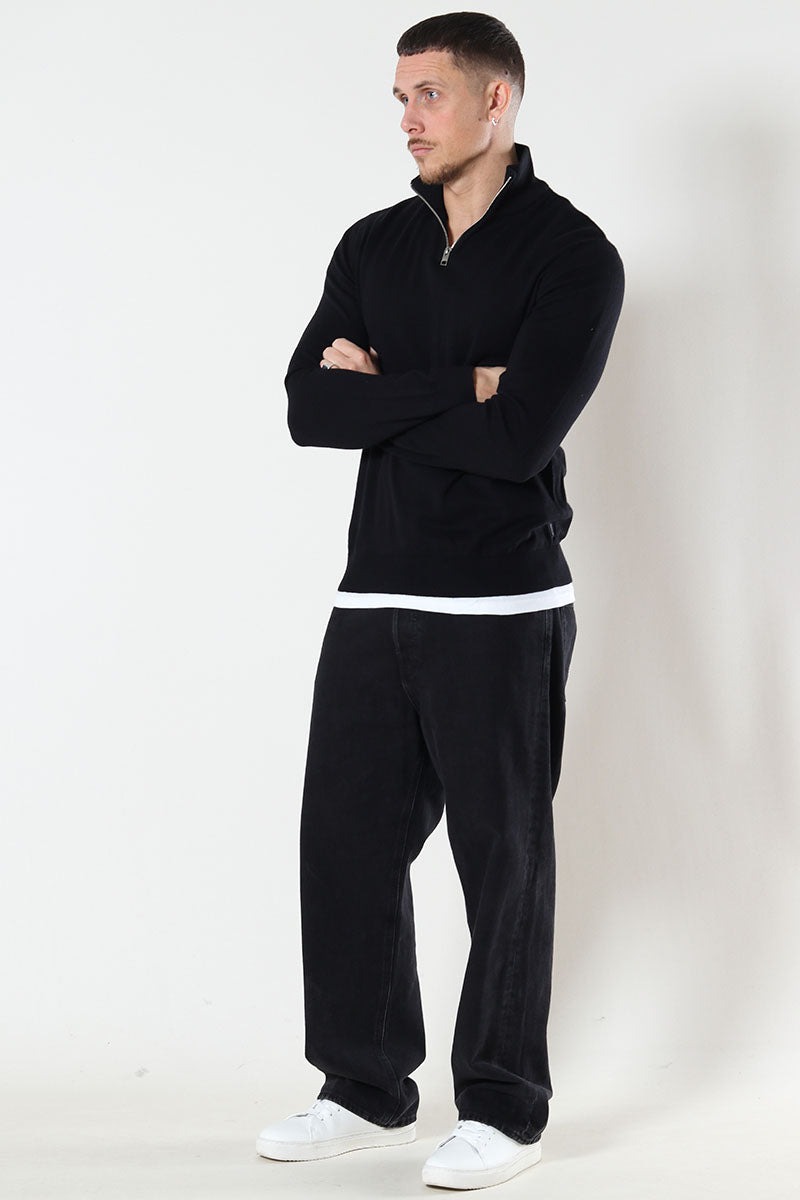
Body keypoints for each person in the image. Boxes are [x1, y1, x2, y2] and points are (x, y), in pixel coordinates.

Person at [256, 11, 624, 1191]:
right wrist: (462, 382)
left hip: (502, 605)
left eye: (428, 93)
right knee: (344, 850)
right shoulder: (373, 246)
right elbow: (309, 409)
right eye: (399, 95)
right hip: (374, 593)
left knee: (501, 866)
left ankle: (505, 1110)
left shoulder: (571, 256)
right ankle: (365, 1088)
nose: (406, 118)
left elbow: (519, 439)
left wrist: (390, 390)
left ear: (493, 100)